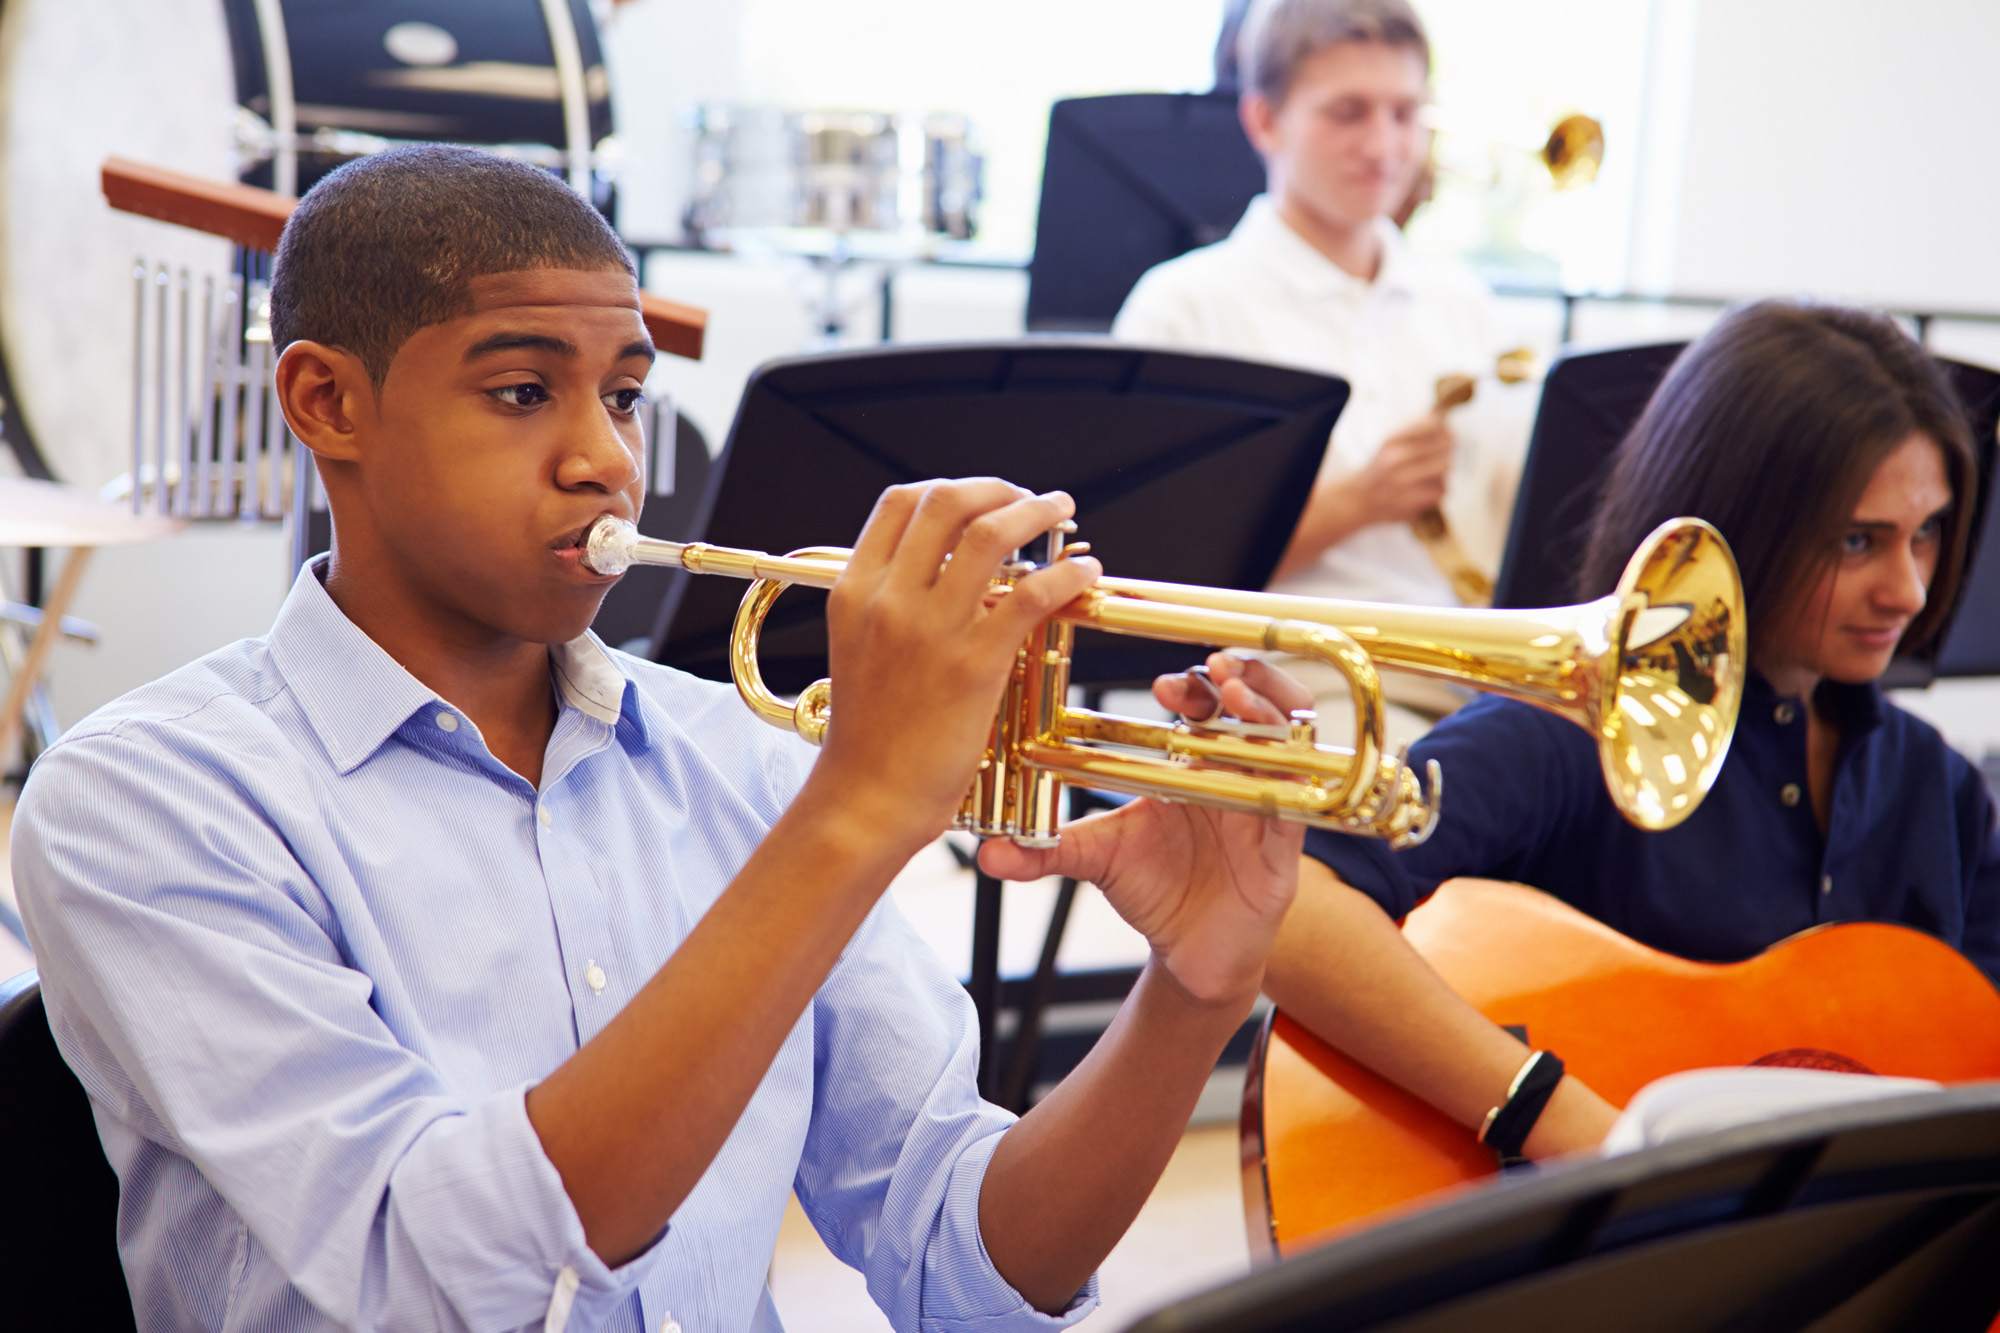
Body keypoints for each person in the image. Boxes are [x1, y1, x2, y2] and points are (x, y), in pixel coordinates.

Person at [11, 146, 1303, 1333]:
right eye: (523, 393)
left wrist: (1188, 994)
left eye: (626, 397)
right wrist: (852, 815)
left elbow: (962, 1255)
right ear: (327, 402)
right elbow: (430, 1284)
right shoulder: (147, 796)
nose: (607, 463)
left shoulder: (733, 755)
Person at [1148, 300, 2000, 1159]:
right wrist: (1566, 1124)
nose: (1911, 590)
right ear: (1740, 523)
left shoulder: (1940, 788)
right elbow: (1290, 912)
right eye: (1859, 541)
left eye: (1926, 533)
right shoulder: (1562, 737)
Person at [1114, 0, 1529, 745]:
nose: (1385, 146)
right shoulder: (1184, 307)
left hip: (1468, 680)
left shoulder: (1463, 303)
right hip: (1285, 688)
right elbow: (1154, 575)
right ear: (1264, 121)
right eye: (1348, 113)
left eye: (1406, 114)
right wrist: (1357, 501)